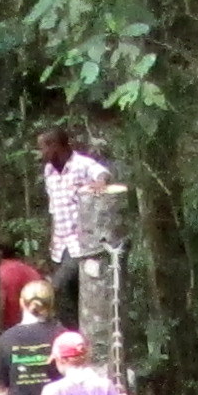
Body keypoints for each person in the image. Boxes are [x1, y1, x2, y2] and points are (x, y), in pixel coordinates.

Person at [40, 126, 119, 318]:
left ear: (55, 146)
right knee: (72, 295)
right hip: (61, 243)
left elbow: (101, 172)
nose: (41, 153)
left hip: (81, 241)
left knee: (56, 286)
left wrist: (100, 182)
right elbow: (54, 208)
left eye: (43, 147)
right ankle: (78, 335)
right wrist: (52, 239)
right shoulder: (49, 171)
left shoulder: (81, 164)